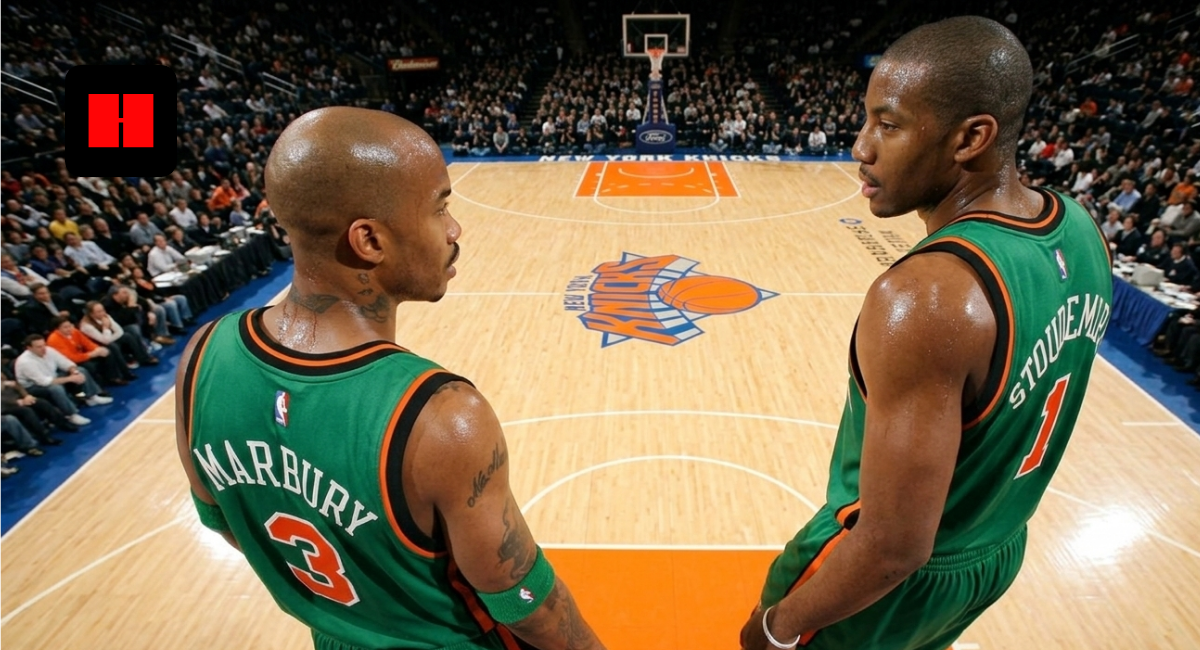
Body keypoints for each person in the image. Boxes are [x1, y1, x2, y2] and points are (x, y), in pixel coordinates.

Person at [740, 17, 1113, 650]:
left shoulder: (924, 299)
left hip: (885, 584)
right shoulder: (1081, 231)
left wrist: (778, 628)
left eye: (887, 125)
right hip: (994, 549)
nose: (861, 147)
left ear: (971, 137)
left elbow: (891, 547)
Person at [176, 107, 606, 650]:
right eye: (440, 208)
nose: (454, 229)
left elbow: (221, 520)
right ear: (370, 241)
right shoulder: (441, 418)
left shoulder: (202, 355)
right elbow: (525, 604)